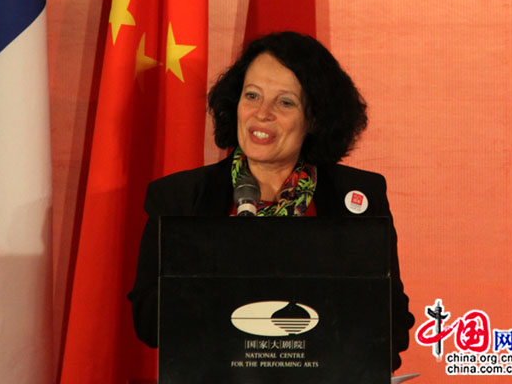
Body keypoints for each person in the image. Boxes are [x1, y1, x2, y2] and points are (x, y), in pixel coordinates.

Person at [128, 31, 414, 370]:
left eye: (285, 102)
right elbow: (149, 324)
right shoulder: (178, 199)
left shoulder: (359, 197)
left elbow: (393, 324)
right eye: (252, 96)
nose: (262, 114)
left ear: (315, 119)